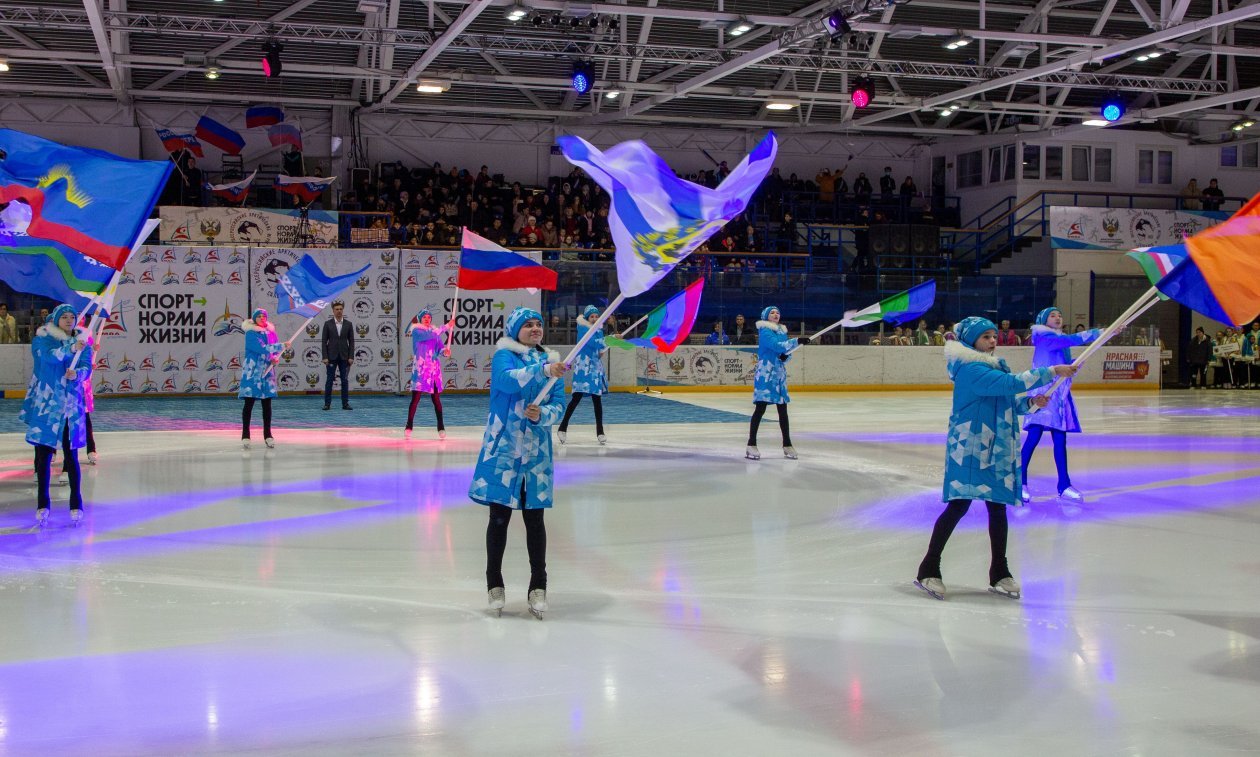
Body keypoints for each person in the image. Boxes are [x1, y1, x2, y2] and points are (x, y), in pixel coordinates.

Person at [913, 316, 1075, 600]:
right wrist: (1051, 371)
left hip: (996, 449)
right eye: (985, 336)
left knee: (997, 508)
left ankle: (999, 572)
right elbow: (1012, 384)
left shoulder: (992, 367)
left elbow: (1007, 398)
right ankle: (929, 567)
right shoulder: (970, 369)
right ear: (971, 340)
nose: (992, 340)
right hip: (971, 449)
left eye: (993, 335)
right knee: (958, 506)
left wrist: (1029, 403)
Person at [468, 307, 568, 619]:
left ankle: (538, 586)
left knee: (535, 521)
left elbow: (559, 405)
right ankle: (494, 583)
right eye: (528, 325)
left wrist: (543, 416)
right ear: (515, 330)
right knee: (499, 518)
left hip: (536, 454)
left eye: (539, 324)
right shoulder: (504, 355)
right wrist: (543, 371)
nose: (536, 328)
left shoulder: (552, 362)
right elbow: (506, 382)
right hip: (504, 451)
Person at [1019, 307, 1102, 504]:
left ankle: (1064, 485)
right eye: (1052, 315)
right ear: (1043, 320)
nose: (1057, 318)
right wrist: (1098, 332)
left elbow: (1063, 363)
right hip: (1043, 394)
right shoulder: (1043, 336)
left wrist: (1075, 364)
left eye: (1059, 315)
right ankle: (1019, 482)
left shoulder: (1059, 339)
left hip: (1058, 396)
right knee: (1034, 436)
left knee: (1060, 439)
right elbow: (1067, 342)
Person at [20, 304, 93, 525]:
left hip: (71, 407)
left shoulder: (82, 342)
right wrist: (70, 349)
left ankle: (76, 501)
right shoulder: (43, 339)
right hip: (48, 407)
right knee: (43, 456)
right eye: (65, 317)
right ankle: (43, 503)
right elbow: (48, 359)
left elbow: (87, 366)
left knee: (71, 455)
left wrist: (77, 374)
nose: (70, 320)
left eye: (73, 316)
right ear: (56, 320)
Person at [747, 306, 808, 460]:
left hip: (779, 374)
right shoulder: (765, 331)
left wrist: (785, 357)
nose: (776, 314)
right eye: (772, 313)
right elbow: (776, 346)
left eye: (778, 312)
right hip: (766, 373)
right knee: (760, 408)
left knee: (783, 409)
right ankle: (751, 444)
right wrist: (796, 341)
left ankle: (787, 444)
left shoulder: (781, 331)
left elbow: (785, 352)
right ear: (766, 316)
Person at [558, 305, 609, 445]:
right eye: (592, 316)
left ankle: (600, 431)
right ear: (587, 318)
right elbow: (591, 343)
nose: (594, 318)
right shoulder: (583, 328)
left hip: (595, 369)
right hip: (583, 368)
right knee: (576, 398)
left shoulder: (599, 330)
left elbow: (599, 349)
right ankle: (563, 427)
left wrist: (604, 348)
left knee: (597, 400)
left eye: (596, 316)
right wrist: (609, 340)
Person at [240, 308, 288, 449]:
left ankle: (268, 435)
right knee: (249, 403)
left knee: (267, 404)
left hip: (267, 371)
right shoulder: (250, 333)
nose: (262, 318)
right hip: (253, 372)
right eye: (259, 316)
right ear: (254, 319)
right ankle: (245, 435)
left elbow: (274, 350)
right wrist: (281, 345)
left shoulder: (271, 333)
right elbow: (262, 348)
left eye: (264, 316)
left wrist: (274, 359)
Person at [405, 308, 452, 440]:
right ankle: (409, 425)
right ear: (420, 319)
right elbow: (429, 335)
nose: (427, 319)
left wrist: (444, 352)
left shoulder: (435, 333)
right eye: (424, 317)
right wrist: (446, 326)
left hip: (433, 370)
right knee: (415, 399)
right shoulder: (416, 331)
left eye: (429, 317)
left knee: (436, 400)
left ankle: (441, 426)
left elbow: (440, 347)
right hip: (421, 369)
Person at [321, 300, 355, 411]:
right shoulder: (327, 324)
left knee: (344, 381)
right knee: (329, 381)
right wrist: (325, 357)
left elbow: (352, 341)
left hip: (345, 357)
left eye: (340, 309)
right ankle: (327, 404)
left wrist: (351, 356)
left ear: (343, 310)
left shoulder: (349, 324)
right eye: (337, 309)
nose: (339, 311)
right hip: (331, 357)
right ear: (333, 311)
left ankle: (345, 404)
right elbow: (323, 341)